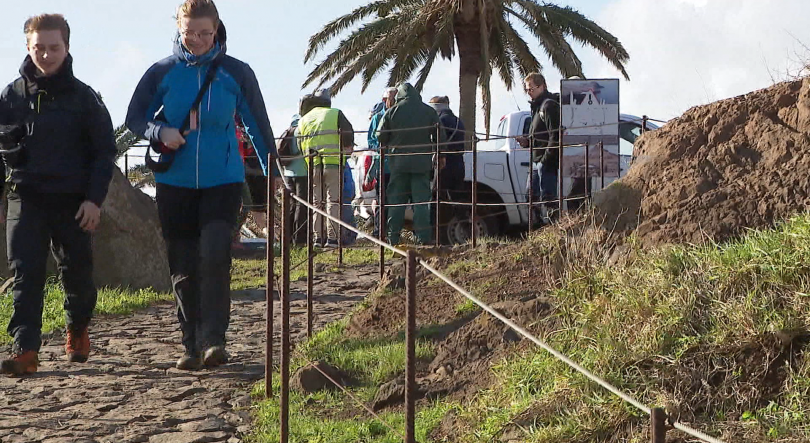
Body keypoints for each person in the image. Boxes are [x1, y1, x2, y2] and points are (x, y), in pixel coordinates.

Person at [126, 0, 276, 370]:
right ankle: (190, 344)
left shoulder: (236, 72)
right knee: (182, 264)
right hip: (174, 182)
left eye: (205, 33)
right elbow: (135, 117)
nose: (197, 40)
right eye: (189, 33)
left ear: (217, 29)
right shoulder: (161, 72)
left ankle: (214, 341)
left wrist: (273, 174)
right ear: (178, 28)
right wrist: (160, 131)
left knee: (214, 254)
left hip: (223, 180)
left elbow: (258, 125)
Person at [0, 14, 117, 376]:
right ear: (28, 47)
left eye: (54, 48)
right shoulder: (10, 97)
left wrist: (94, 200)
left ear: (67, 47)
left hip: (74, 201)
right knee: (25, 273)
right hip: (25, 197)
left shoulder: (85, 98)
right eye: (39, 48)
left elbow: (104, 152)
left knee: (77, 272)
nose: (46, 55)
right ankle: (25, 349)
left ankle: (77, 328)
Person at [377, 83, 446, 245]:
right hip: (421, 164)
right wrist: (441, 155)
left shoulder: (392, 111)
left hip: (398, 165)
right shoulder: (428, 111)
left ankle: (393, 238)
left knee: (396, 203)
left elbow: (380, 135)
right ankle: (423, 239)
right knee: (421, 203)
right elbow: (440, 134)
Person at [296, 89, 354, 248]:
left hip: (313, 164)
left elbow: (299, 143)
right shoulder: (335, 113)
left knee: (317, 202)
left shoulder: (304, 119)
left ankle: (318, 238)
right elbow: (348, 135)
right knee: (333, 201)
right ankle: (332, 238)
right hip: (333, 162)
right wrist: (347, 149)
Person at [517, 72, 560, 223]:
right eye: (527, 90)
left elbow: (555, 135)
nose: (529, 92)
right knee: (530, 196)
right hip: (536, 160)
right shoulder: (536, 107)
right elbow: (538, 136)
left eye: (531, 89)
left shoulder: (548, 106)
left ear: (542, 86)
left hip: (545, 161)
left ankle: (554, 227)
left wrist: (545, 158)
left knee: (548, 198)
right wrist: (527, 142)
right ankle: (539, 228)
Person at [428, 96, 466, 244]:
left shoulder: (440, 121)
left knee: (435, 201)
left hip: (444, 165)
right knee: (458, 200)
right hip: (459, 164)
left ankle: (434, 236)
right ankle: (466, 231)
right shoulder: (458, 121)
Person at [365, 87, 397, 238]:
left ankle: (392, 232)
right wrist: (383, 146)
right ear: (385, 100)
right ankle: (380, 232)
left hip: (397, 166)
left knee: (395, 200)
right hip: (384, 166)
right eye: (392, 98)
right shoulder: (378, 118)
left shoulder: (400, 116)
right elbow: (371, 141)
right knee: (382, 200)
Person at [278, 114, 309, 245]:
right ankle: (299, 239)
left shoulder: (287, 132)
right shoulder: (301, 132)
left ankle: (287, 238)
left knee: (291, 205)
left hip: (287, 173)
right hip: (302, 173)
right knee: (301, 205)